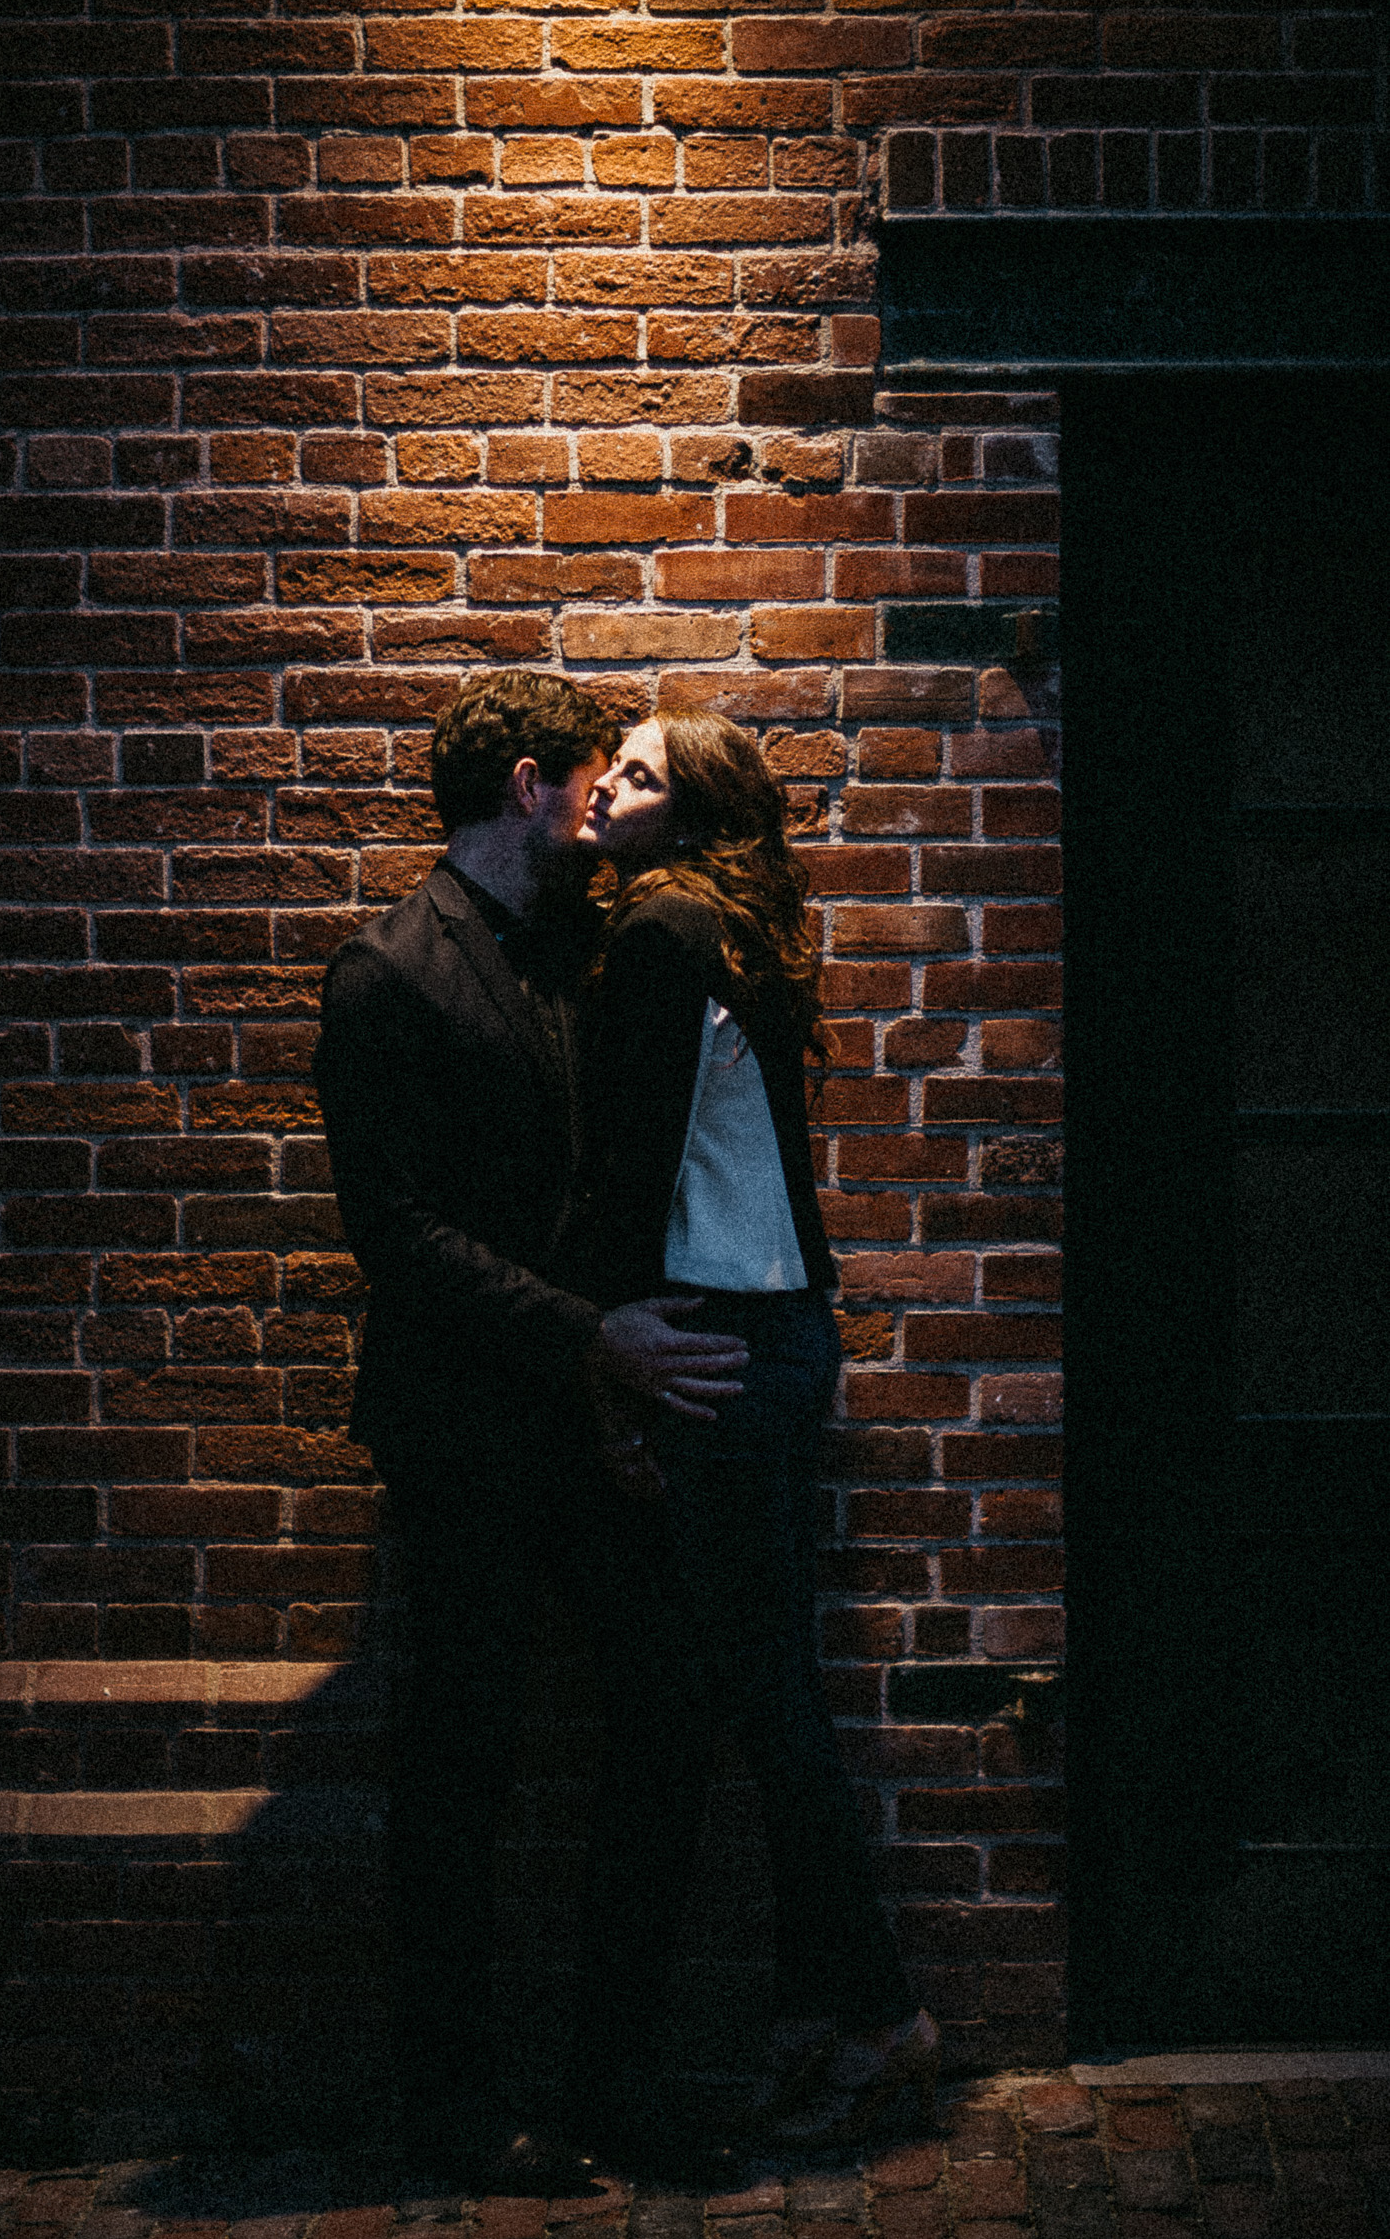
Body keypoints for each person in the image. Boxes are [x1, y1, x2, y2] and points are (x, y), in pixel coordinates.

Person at [313, 672, 748, 2193]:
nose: (596, 807)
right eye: (582, 780)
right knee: (464, 1758)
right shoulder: (387, 974)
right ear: (523, 785)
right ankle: (454, 2109)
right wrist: (595, 1339)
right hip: (463, 1425)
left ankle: (611, 2080)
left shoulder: (577, 945)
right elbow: (400, 1235)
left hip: (574, 1416)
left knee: (668, 1697)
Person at [574, 710, 940, 2150]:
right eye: (615, 762)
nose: (610, 783)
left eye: (645, 775)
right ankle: (814, 2014)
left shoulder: (661, 932)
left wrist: (608, 1370)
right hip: (777, 1333)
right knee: (762, 1686)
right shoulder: (738, 935)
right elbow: (782, 1160)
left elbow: (623, 1174)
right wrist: (826, 1322)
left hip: (710, 1338)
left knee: (766, 1698)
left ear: (697, 815)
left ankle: (876, 2009)